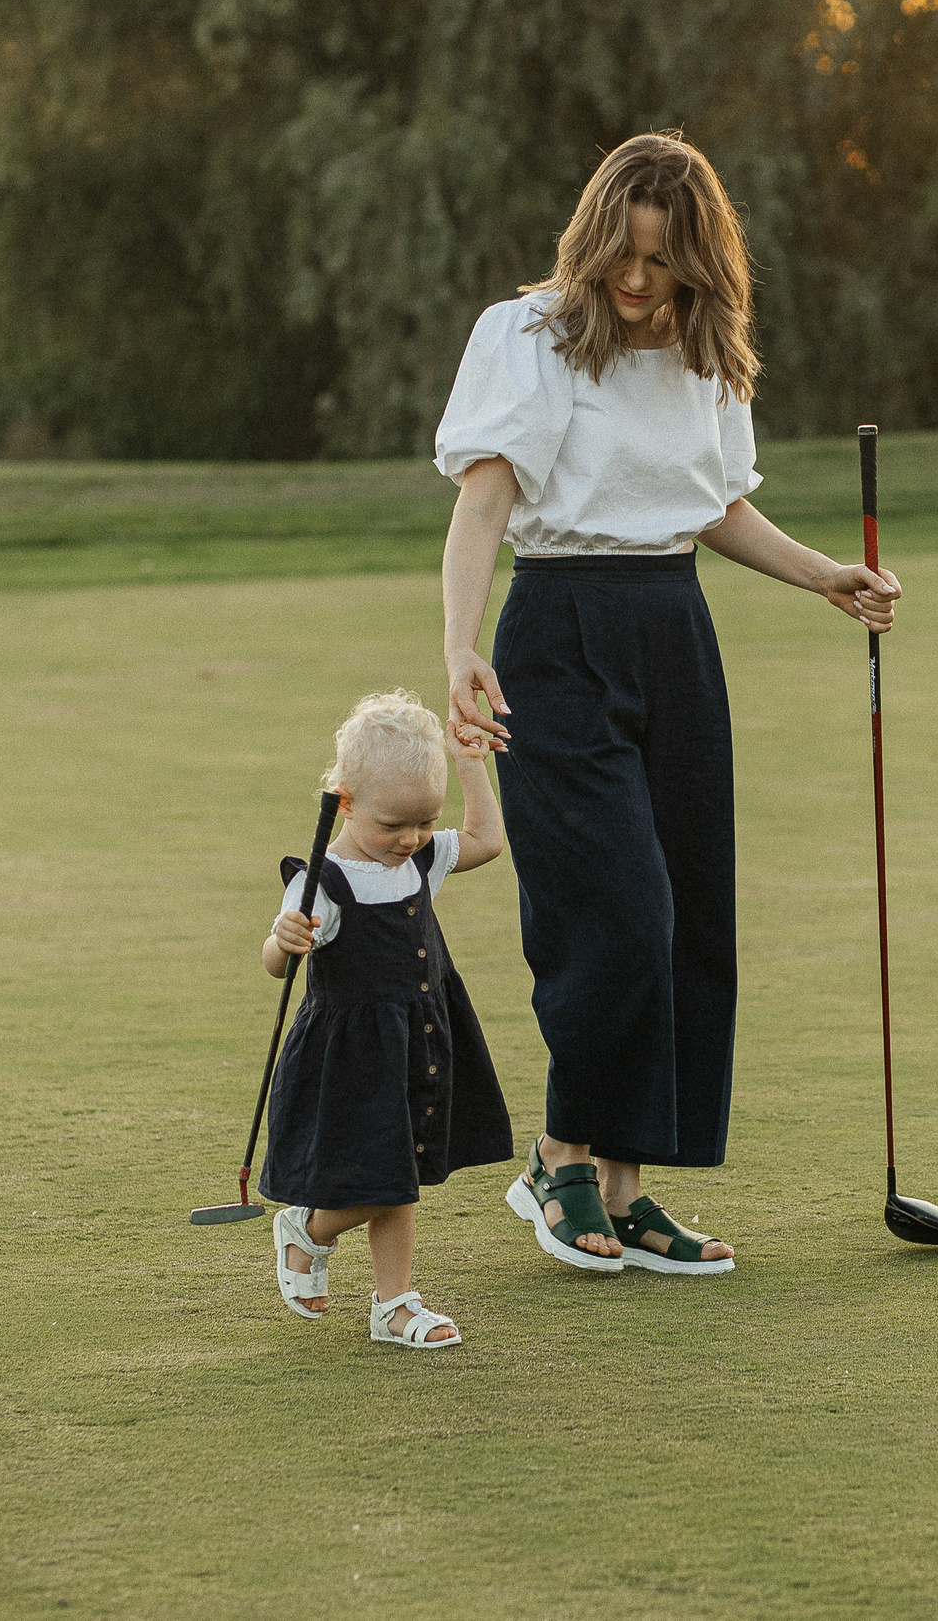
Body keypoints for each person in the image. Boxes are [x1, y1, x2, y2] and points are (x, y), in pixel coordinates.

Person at [434, 131, 900, 1277]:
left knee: (687, 915)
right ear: (595, 243)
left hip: (673, 633)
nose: (638, 280)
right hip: (557, 635)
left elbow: (711, 509)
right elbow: (486, 504)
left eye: (663, 259)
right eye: (623, 255)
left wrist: (823, 576)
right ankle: (558, 1158)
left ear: (700, 261)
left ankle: (631, 1189)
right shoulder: (527, 335)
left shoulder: (706, 353)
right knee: (619, 915)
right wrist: (458, 647)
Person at [258, 690, 513, 1349]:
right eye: (395, 824)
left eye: (424, 822)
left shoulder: (421, 858)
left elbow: (487, 839)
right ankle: (310, 1229)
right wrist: (284, 940)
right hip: (351, 1056)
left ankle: (394, 1305)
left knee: (408, 1176)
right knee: (392, 1175)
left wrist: (468, 764)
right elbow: (275, 964)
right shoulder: (325, 881)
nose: (412, 838)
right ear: (345, 802)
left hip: (420, 1039)